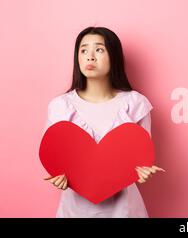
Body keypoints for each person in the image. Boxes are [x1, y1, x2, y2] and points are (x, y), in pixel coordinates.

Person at [43, 26, 164, 218]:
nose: (90, 56)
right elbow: (53, 157)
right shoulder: (60, 106)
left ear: (114, 56)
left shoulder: (135, 104)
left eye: (99, 49)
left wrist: (142, 171)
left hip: (125, 211)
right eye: (83, 50)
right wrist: (59, 177)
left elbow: (141, 159)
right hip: (74, 211)